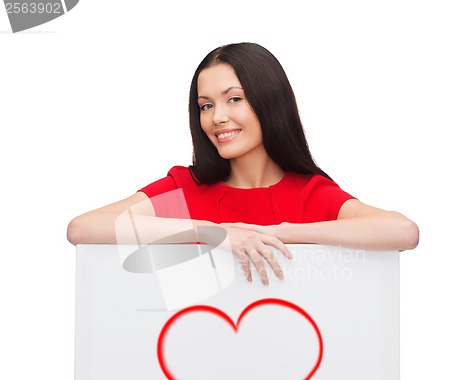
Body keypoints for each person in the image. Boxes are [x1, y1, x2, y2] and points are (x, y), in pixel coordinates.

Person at [67, 42, 419, 285]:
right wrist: (213, 234)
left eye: (234, 99)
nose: (217, 117)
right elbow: (84, 228)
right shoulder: (186, 190)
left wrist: (280, 233)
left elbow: (402, 232)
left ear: (270, 102)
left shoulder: (309, 194)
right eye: (206, 105)